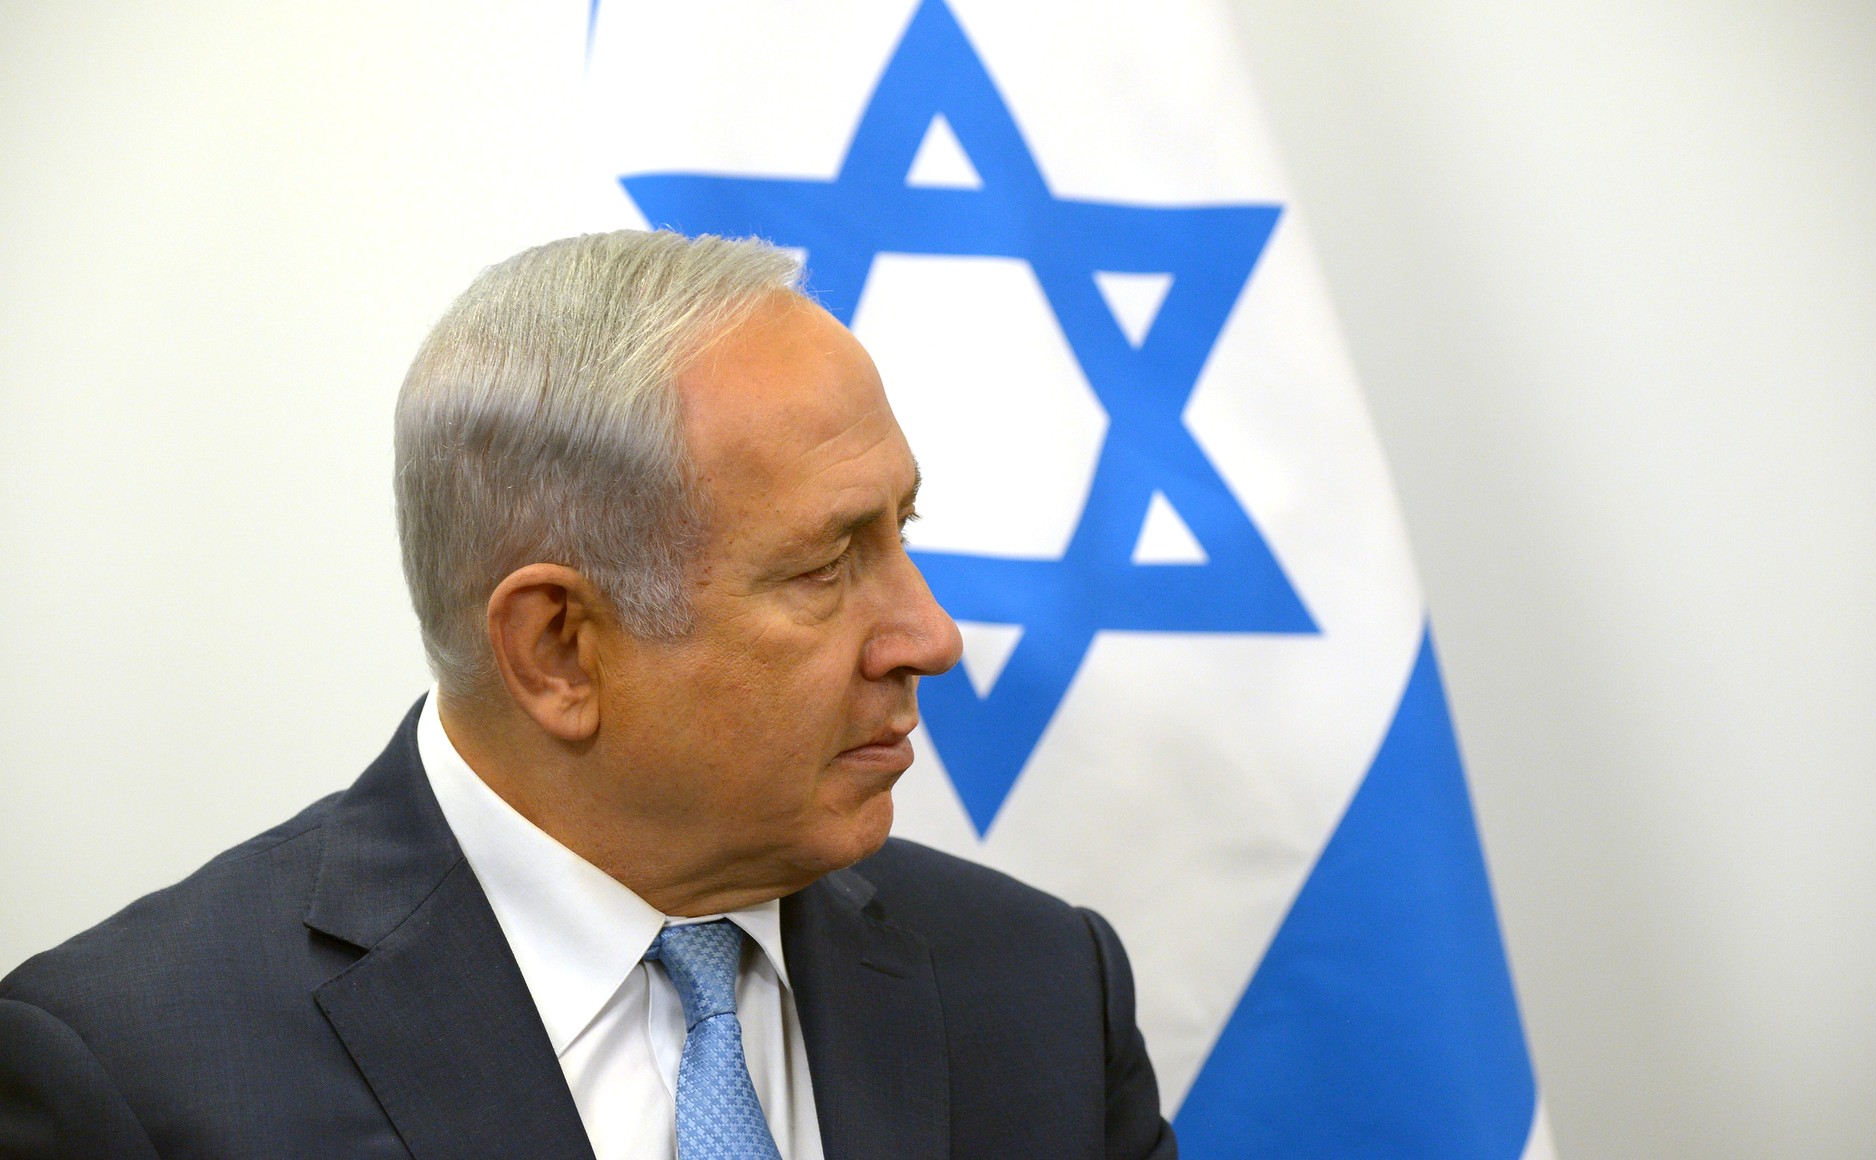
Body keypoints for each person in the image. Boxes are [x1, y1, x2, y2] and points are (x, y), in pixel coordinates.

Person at [0, 230, 1176, 1159]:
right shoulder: (131, 1075)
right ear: (558, 648)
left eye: (901, 531)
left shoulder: (1038, 988)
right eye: (826, 565)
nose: (930, 636)